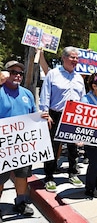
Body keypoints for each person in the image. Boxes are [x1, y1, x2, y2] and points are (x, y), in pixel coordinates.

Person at [0, 61, 50, 218]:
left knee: (22, 175)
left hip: (23, 146)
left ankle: (21, 202)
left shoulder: (27, 94)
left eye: (20, 73)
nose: (17, 75)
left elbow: (33, 114)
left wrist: (43, 118)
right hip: (3, 145)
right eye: (13, 72)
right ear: (6, 73)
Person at [39, 46, 86, 192]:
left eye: (77, 58)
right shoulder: (53, 74)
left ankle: (72, 172)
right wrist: (45, 113)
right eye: (72, 57)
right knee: (53, 146)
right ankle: (49, 176)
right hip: (56, 115)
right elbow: (45, 94)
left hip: (73, 116)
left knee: (73, 147)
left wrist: (83, 117)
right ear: (64, 58)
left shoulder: (79, 78)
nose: (75, 60)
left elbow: (82, 98)